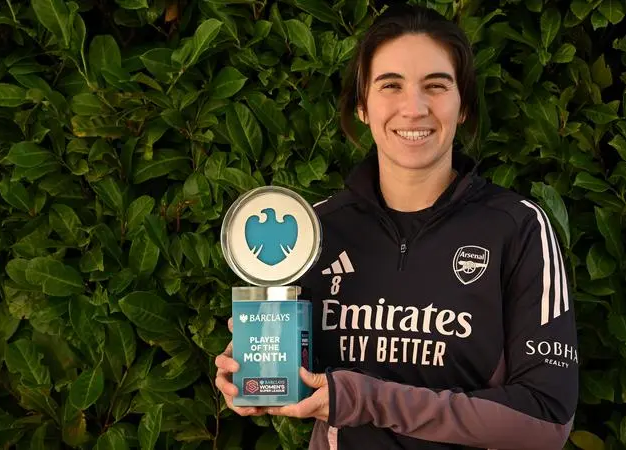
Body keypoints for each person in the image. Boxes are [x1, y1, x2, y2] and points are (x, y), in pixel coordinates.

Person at [215, 4, 578, 449]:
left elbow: (546, 420)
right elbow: (298, 372)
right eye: (390, 85)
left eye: (436, 86)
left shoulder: (516, 227)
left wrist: (366, 399)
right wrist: (253, 367)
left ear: (463, 105)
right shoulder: (315, 230)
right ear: (362, 105)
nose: (414, 108)